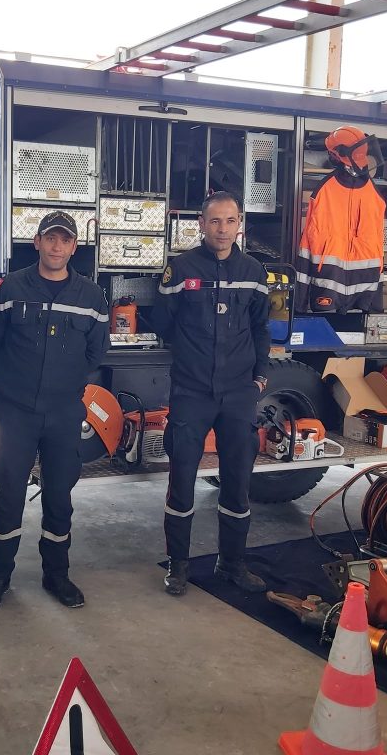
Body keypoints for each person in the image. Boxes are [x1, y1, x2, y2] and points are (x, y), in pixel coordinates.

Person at [0, 211, 109, 610]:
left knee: (59, 494)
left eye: (65, 240)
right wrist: (15, 381)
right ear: (36, 242)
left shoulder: (91, 296)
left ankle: (57, 576)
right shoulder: (9, 288)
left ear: (74, 247)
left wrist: (63, 381)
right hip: (16, 411)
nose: (56, 246)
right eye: (50, 238)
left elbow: (96, 352)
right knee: (9, 492)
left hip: (64, 412)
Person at [154, 191, 270, 597]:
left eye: (230, 220)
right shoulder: (180, 269)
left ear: (240, 224)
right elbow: (164, 323)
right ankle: (178, 565)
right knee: (182, 479)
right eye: (215, 221)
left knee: (238, 482)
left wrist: (259, 377)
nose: (223, 229)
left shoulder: (253, 271)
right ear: (201, 224)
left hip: (238, 393)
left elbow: (260, 328)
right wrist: (193, 357)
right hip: (192, 391)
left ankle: (232, 564)